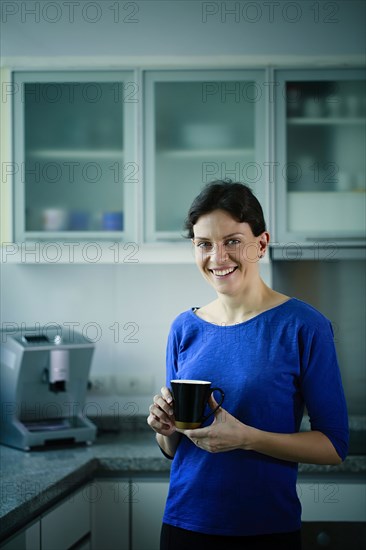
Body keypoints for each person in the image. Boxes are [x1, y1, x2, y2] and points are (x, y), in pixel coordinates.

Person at [147, 180, 349, 550]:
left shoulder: (304, 326)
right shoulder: (183, 328)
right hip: (184, 525)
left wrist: (247, 438)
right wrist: (165, 426)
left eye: (233, 241)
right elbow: (174, 447)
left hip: (266, 530)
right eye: (204, 244)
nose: (217, 257)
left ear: (262, 243)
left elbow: (334, 446)